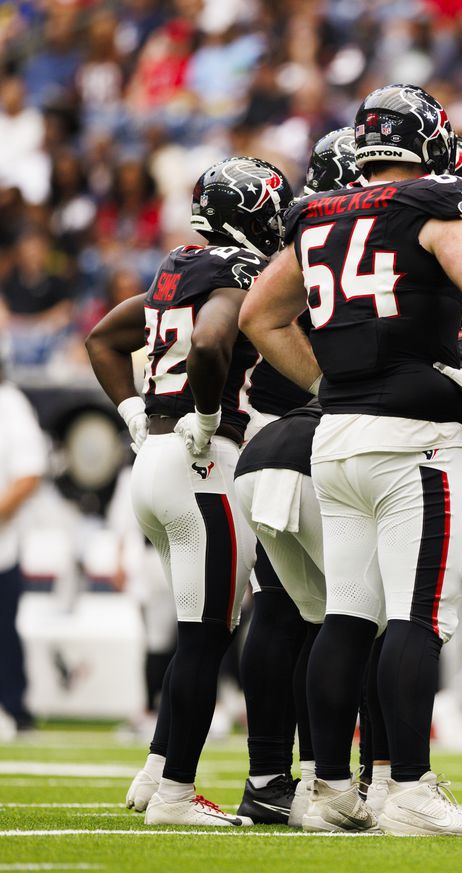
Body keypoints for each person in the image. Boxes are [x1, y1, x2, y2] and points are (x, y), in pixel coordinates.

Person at [238, 83, 462, 837]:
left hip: (335, 435)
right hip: (412, 441)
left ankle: (329, 791)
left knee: (347, 616)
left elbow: (259, 315)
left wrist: (329, 381)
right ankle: (411, 790)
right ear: (427, 140)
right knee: (417, 617)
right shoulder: (431, 202)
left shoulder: (318, 212)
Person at [85, 155, 292, 827]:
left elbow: (104, 336)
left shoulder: (181, 266)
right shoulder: (238, 271)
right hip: (202, 461)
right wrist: (206, 415)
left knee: (193, 631)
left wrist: (132, 412)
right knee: (208, 634)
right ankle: (176, 793)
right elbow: (209, 343)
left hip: (157, 461)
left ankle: (155, 769)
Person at [233, 126, 366, 828]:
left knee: (288, 610)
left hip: (275, 438)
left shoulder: (304, 231)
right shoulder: (334, 235)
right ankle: (321, 777)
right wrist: (329, 388)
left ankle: (274, 777)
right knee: (339, 609)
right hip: (318, 438)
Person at [0, 368, 46, 733]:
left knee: (2, 631)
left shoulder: (10, 404)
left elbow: (29, 474)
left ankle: (11, 708)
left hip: (2, 546)